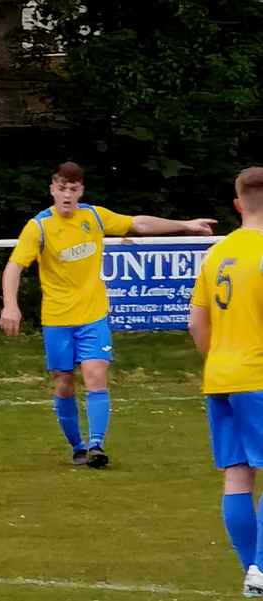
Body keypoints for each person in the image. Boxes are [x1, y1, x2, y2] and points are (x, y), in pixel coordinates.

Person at [0, 161, 216, 468]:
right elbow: (14, 267)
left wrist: (185, 224)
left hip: (93, 316)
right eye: (61, 188)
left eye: (73, 189)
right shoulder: (39, 227)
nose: (67, 195)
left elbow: (137, 223)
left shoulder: (94, 216)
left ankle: (97, 446)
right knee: (64, 382)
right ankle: (78, 445)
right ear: (52, 190)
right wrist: (11, 304)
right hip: (58, 320)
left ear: (80, 191)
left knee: (96, 376)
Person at [188, 166, 263, 597]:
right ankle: (260, 569)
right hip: (257, 377)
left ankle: (252, 573)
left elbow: (196, 322)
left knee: (237, 476)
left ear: (238, 205)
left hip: (220, 376)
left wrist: (219, 359)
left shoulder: (217, 253)